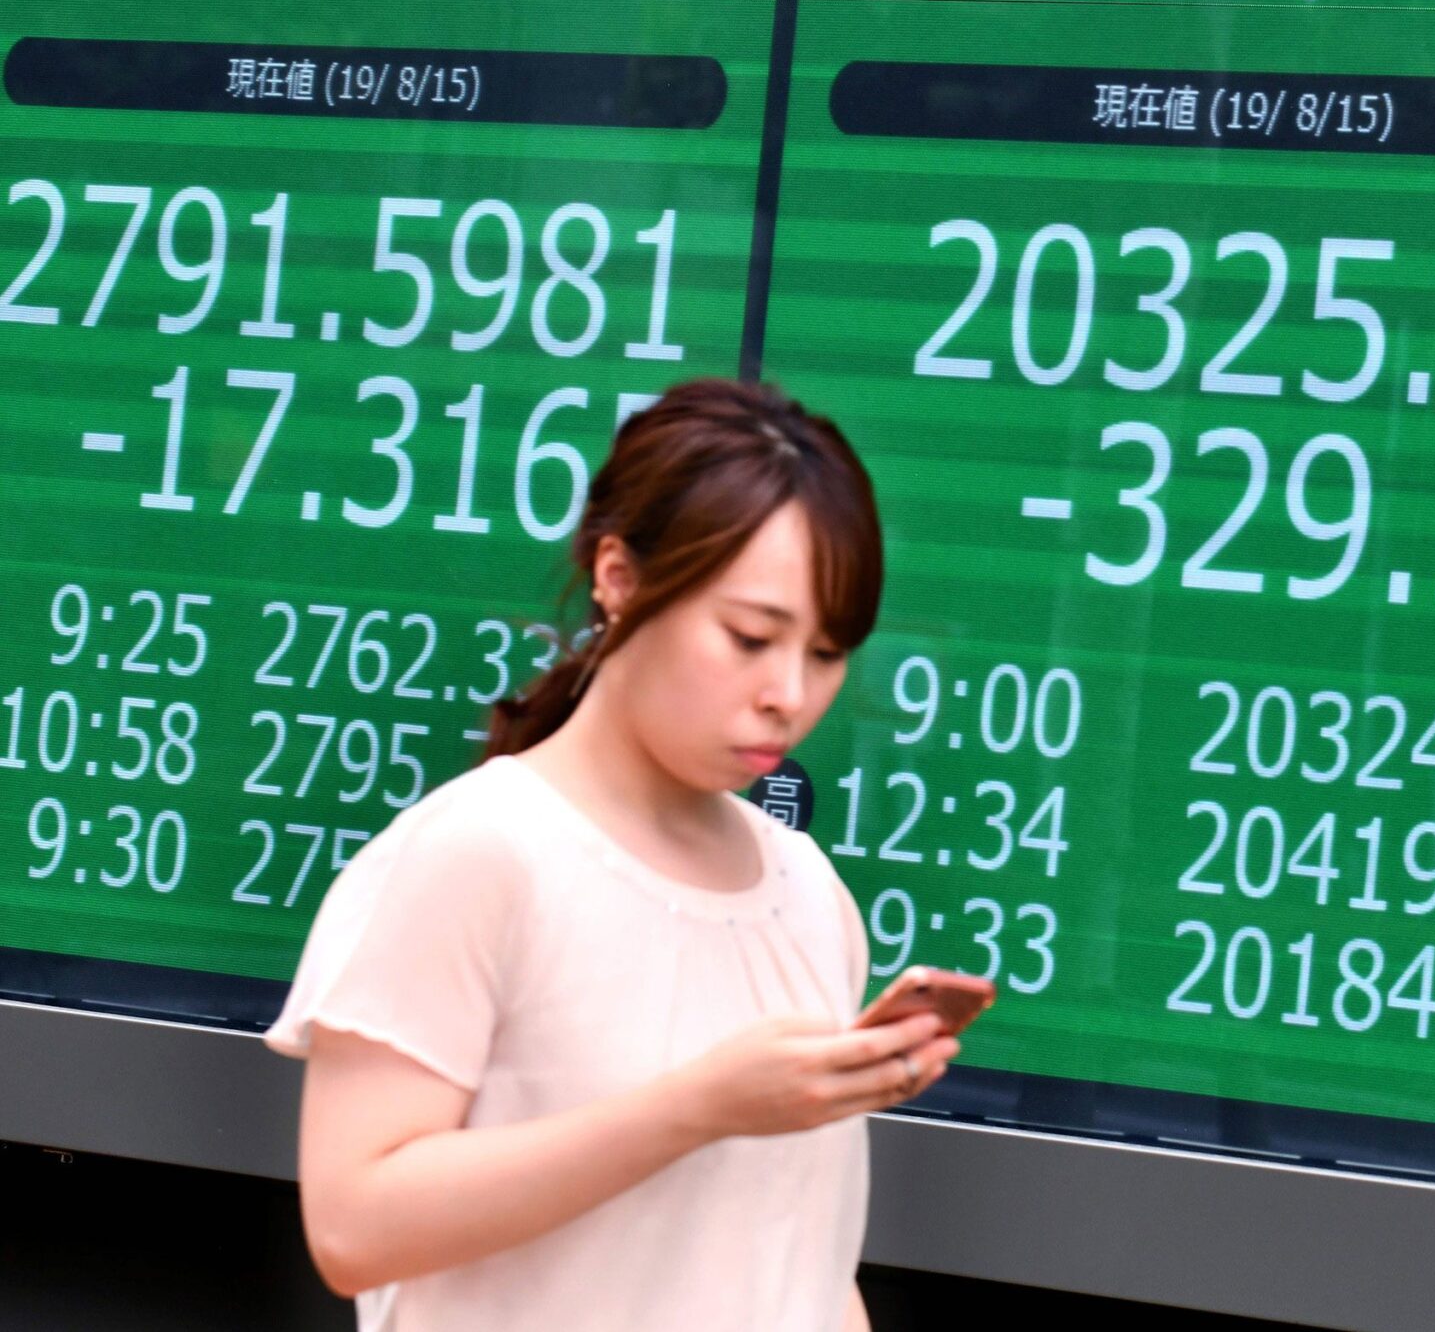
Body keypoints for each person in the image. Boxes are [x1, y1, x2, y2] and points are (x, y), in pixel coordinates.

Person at [266, 378, 951, 1331]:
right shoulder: (476, 853)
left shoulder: (808, 894)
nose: (788, 693)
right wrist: (696, 1107)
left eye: (830, 652)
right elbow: (354, 1226)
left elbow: (801, 1262)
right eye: (750, 636)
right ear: (618, 575)